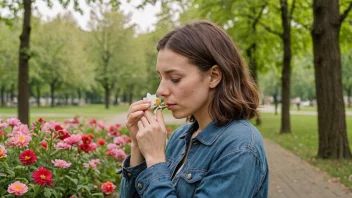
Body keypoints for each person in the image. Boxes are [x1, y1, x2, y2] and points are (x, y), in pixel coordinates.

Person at [119, 20, 269, 198]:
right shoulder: (181, 136)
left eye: (174, 78)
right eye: (160, 77)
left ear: (213, 76)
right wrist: (138, 146)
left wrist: (155, 159)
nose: (160, 90)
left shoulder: (240, 147)